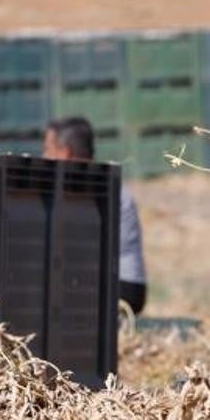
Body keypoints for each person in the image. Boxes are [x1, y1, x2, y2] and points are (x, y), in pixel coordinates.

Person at [43, 117, 148, 315]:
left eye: (48, 149)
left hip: (120, 288)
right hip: (121, 284)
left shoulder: (91, 189)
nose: (44, 156)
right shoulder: (107, 186)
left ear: (64, 153)